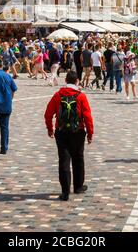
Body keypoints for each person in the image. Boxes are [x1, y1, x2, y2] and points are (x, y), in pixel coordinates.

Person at [44, 71, 94, 201]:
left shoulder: (58, 95)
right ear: (77, 81)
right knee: (78, 158)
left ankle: (65, 192)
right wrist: (90, 133)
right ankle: (78, 186)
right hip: (78, 131)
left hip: (61, 132)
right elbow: (87, 116)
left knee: (64, 161)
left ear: (65, 80)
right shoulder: (81, 96)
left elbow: (48, 114)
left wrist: (50, 129)